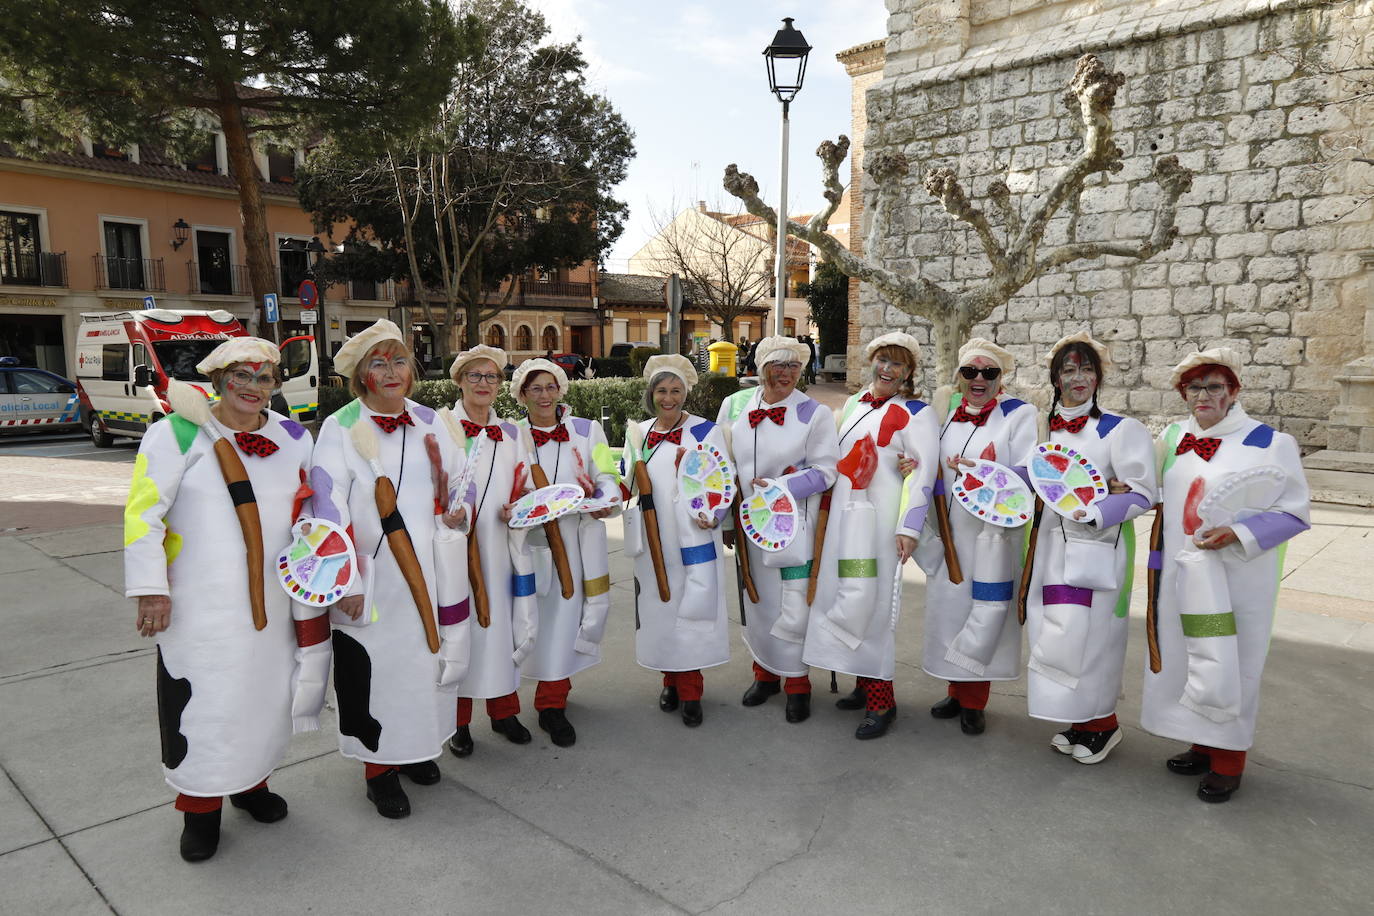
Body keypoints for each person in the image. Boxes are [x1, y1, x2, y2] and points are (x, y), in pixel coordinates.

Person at [125, 338, 316, 861]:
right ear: (218, 379)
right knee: (204, 706)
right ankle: (199, 810)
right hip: (199, 607)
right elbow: (143, 514)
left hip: (274, 603)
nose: (254, 387)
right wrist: (150, 589)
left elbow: (315, 508)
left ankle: (251, 783)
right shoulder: (176, 434)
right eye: (242, 375)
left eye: (265, 377)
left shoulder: (294, 436)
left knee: (263, 698)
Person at [309, 319, 467, 819]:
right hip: (372, 583)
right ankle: (379, 770)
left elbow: (457, 482)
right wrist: (345, 581)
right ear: (361, 376)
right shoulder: (340, 427)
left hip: (432, 574)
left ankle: (418, 749)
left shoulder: (431, 421)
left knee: (426, 667)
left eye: (399, 360)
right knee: (374, 674)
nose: (392, 371)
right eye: (378, 363)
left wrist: (459, 509)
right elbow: (325, 506)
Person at [1141, 347, 1310, 803]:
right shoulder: (1174, 436)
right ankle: (1199, 742)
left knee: (1230, 660)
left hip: (1236, 579)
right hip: (1180, 572)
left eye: (1215, 386)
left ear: (1234, 390)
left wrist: (1237, 532)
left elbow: (1294, 513)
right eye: (1194, 387)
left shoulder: (1270, 443)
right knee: (1184, 657)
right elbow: (1152, 488)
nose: (1204, 395)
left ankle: (1229, 760)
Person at [1020, 332, 1157, 764]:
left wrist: (1097, 510)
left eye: (1086, 369)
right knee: (1056, 632)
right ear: (1056, 379)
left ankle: (1103, 723)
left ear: (1099, 376)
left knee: (1094, 634)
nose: (1078, 378)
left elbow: (1142, 494)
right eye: (1069, 369)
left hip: (1096, 549)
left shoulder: (1121, 429)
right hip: (1050, 550)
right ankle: (1079, 718)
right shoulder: (1045, 428)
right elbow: (1031, 475)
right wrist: (982, 475)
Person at [803, 332, 939, 739]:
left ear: (909, 372)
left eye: (897, 364)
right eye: (882, 360)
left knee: (873, 605)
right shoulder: (853, 405)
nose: (887, 369)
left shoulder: (917, 413)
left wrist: (909, 528)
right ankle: (863, 683)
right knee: (844, 594)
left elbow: (925, 473)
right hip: (846, 520)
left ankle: (884, 701)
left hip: (881, 525)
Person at [916, 337, 1037, 735]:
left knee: (985, 614)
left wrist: (988, 472)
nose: (979, 379)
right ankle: (956, 689)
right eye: (970, 372)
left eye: (989, 372)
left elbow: (1030, 471)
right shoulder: (947, 416)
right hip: (951, 534)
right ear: (959, 377)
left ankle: (975, 700)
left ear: (1001, 377)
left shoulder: (1020, 415)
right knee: (951, 613)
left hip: (992, 536)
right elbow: (929, 463)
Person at [718, 335, 840, 723]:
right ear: (760, 367)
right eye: (778, 365)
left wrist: (783, 488)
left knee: (794, 605)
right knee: (758, 601)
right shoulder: (734, 406)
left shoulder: (813, 413)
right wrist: (725, 521)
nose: (785, 374)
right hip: (749, 527)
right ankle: (765, 674)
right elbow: (723, 468)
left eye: (793, 367)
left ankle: (799, 685)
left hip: (793, 527)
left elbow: (826, 471)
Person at [511, 357, 620, 746]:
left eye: (550, 386)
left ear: (561, 389)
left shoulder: (588, 431)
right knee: (524, 623)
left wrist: (606, 499)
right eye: (535, 388)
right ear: (522, 394)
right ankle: (504, 705)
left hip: (575, 543)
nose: (544, 395)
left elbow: (608, 474)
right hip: (528, 544)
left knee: (563, 623)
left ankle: (552, 704)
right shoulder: (509, 435)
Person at [624, 355, 733, 726]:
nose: (668, 398)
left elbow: (723, 481)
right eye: (661, 391)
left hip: (693, 533)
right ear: (650, 394)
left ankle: (691, 692)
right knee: (660, 611)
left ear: (686, 393)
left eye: (675, 390)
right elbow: (624, 481)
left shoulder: (705, 431)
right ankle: (669, 680)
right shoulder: (638, 433)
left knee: (693, 612)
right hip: (653, 539)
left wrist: (714, 513)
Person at [446, 344, 539, 759]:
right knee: (461, 631)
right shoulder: (441, 427)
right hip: (456, 550)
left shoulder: (515, 432)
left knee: (503, 630)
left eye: (492, 377)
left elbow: (528, 487)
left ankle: (504, 712)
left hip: (502, 548)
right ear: (460, 381)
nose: (484, 384)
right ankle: (457, 723)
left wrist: (519, 506)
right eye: (475, 376)